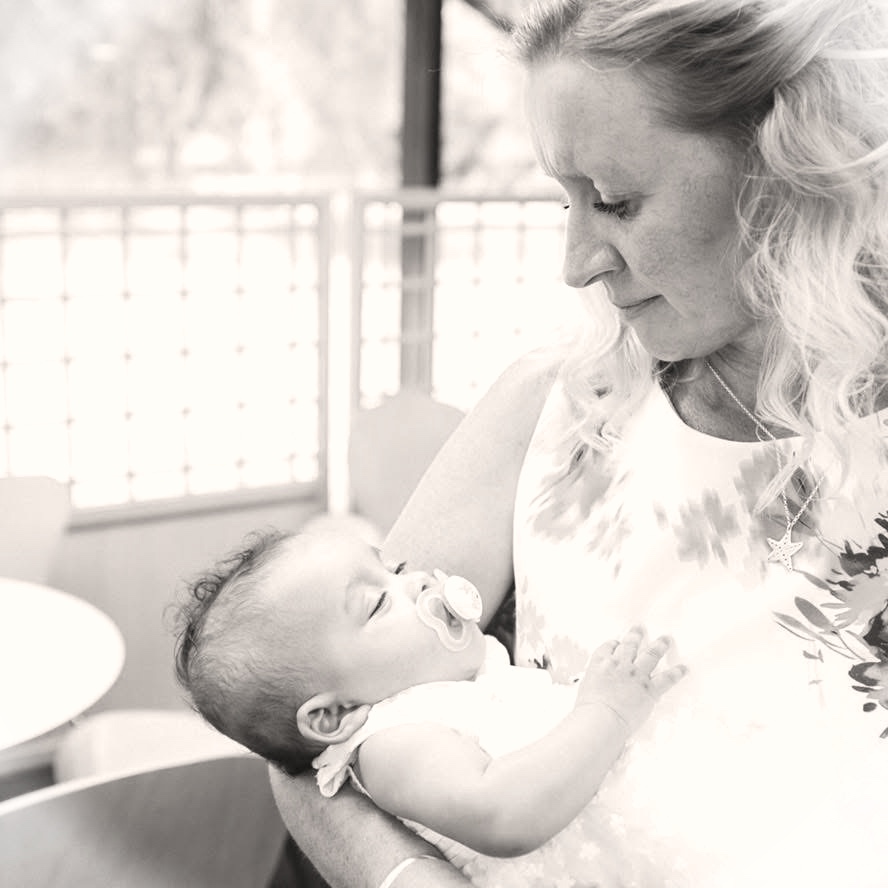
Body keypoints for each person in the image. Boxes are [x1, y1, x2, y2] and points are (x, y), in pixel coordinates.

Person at [269, 0, 888, 885]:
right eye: (565, 200)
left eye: (615, 202)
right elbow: (311, 731)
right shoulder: (555, 408)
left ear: (792, 170)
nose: (576, 262)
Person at [174, 528, 687, 887]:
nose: (415, 582)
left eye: (393, 569)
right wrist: (606, 711)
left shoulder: (463, 680)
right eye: (378, 603)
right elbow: (504, 814)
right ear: (334, 716)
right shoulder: (393, 743)